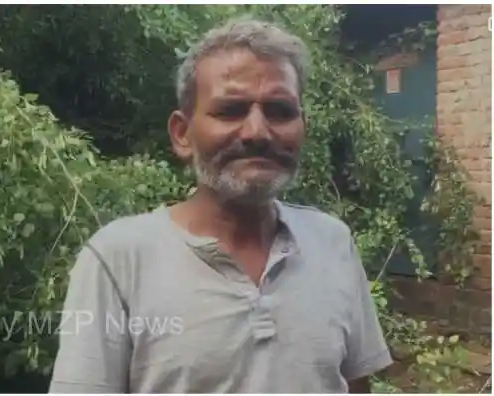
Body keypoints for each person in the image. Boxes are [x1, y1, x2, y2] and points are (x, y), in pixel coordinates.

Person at [48, 16, 393, 394]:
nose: (257, 132)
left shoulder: (332, 242)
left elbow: (357, 385)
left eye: (280, 111)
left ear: (302, 128)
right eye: (230, 110)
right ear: (182, 134)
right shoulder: (117, 260)